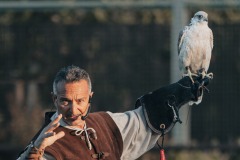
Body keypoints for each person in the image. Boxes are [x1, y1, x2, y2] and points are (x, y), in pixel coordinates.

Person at [17, 65, 210, 160]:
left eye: (80, 101)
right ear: (54, 99)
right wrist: (35, 150)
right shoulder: (48, 143)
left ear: (90, 97)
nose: (73, 109)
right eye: (65, 101)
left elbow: (141, 120)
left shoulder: (104, 123)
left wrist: (181, 91)